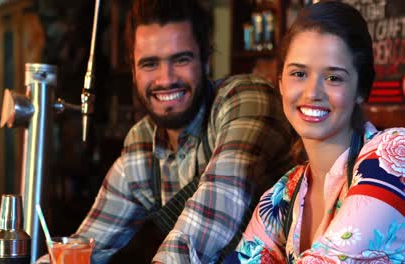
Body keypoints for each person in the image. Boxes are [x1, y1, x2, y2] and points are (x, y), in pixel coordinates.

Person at [69, 0, 294, 263]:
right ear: (133, 71)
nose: (166, 79)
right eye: (149, 64)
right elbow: (85, 246)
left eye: (181, 59)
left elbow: (216, 207)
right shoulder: (142, 145)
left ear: (206, 61)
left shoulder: (245, 100)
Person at [227, 1, 405, 263]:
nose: (312, 93)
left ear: (360, 90)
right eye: (298, 73)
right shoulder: (282, 195)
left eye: (333, 78)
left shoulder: (393, 156)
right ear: (280, 84)